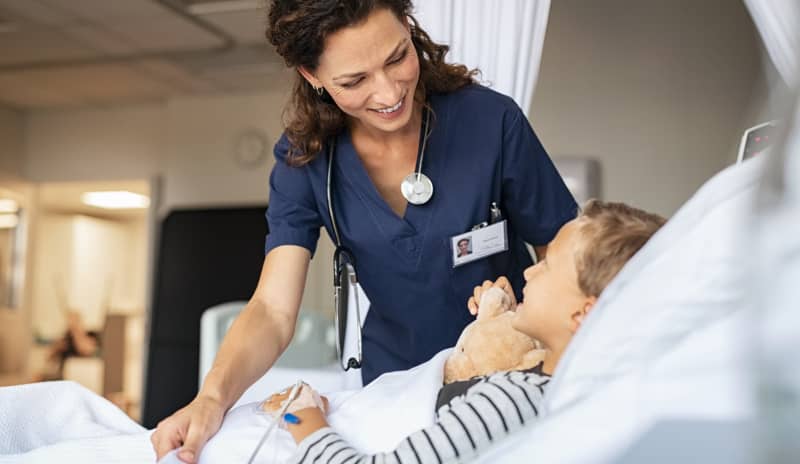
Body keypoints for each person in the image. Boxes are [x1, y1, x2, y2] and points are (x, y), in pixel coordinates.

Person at [151, 1, 576, 461]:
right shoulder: (306, 160)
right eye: (354, 81)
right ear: (312, 76)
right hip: (395, 388)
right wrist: (211, 399)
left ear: (410, 28)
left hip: (508, 374)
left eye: (397, 57)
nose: (390, 91)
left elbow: (569, 254)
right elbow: (272, 310)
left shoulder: (490, 122)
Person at [263, 200, 666, 463]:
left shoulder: (516, 399)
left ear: (583, 315)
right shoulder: (578, 395)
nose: (527, 271)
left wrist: (303, 417)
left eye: (546, 267)